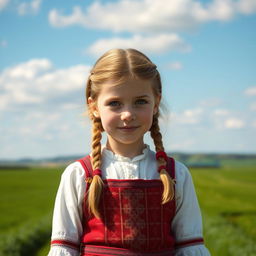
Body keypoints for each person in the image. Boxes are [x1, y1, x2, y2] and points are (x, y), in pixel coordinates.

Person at [48, 48, 211, 256]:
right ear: (94, 107)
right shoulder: (79, 175)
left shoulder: (176, 174)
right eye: (114, 103)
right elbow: (64, 248)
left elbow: (189, 247)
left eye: (140, 102)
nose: (127, 114)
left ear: (156, 103)